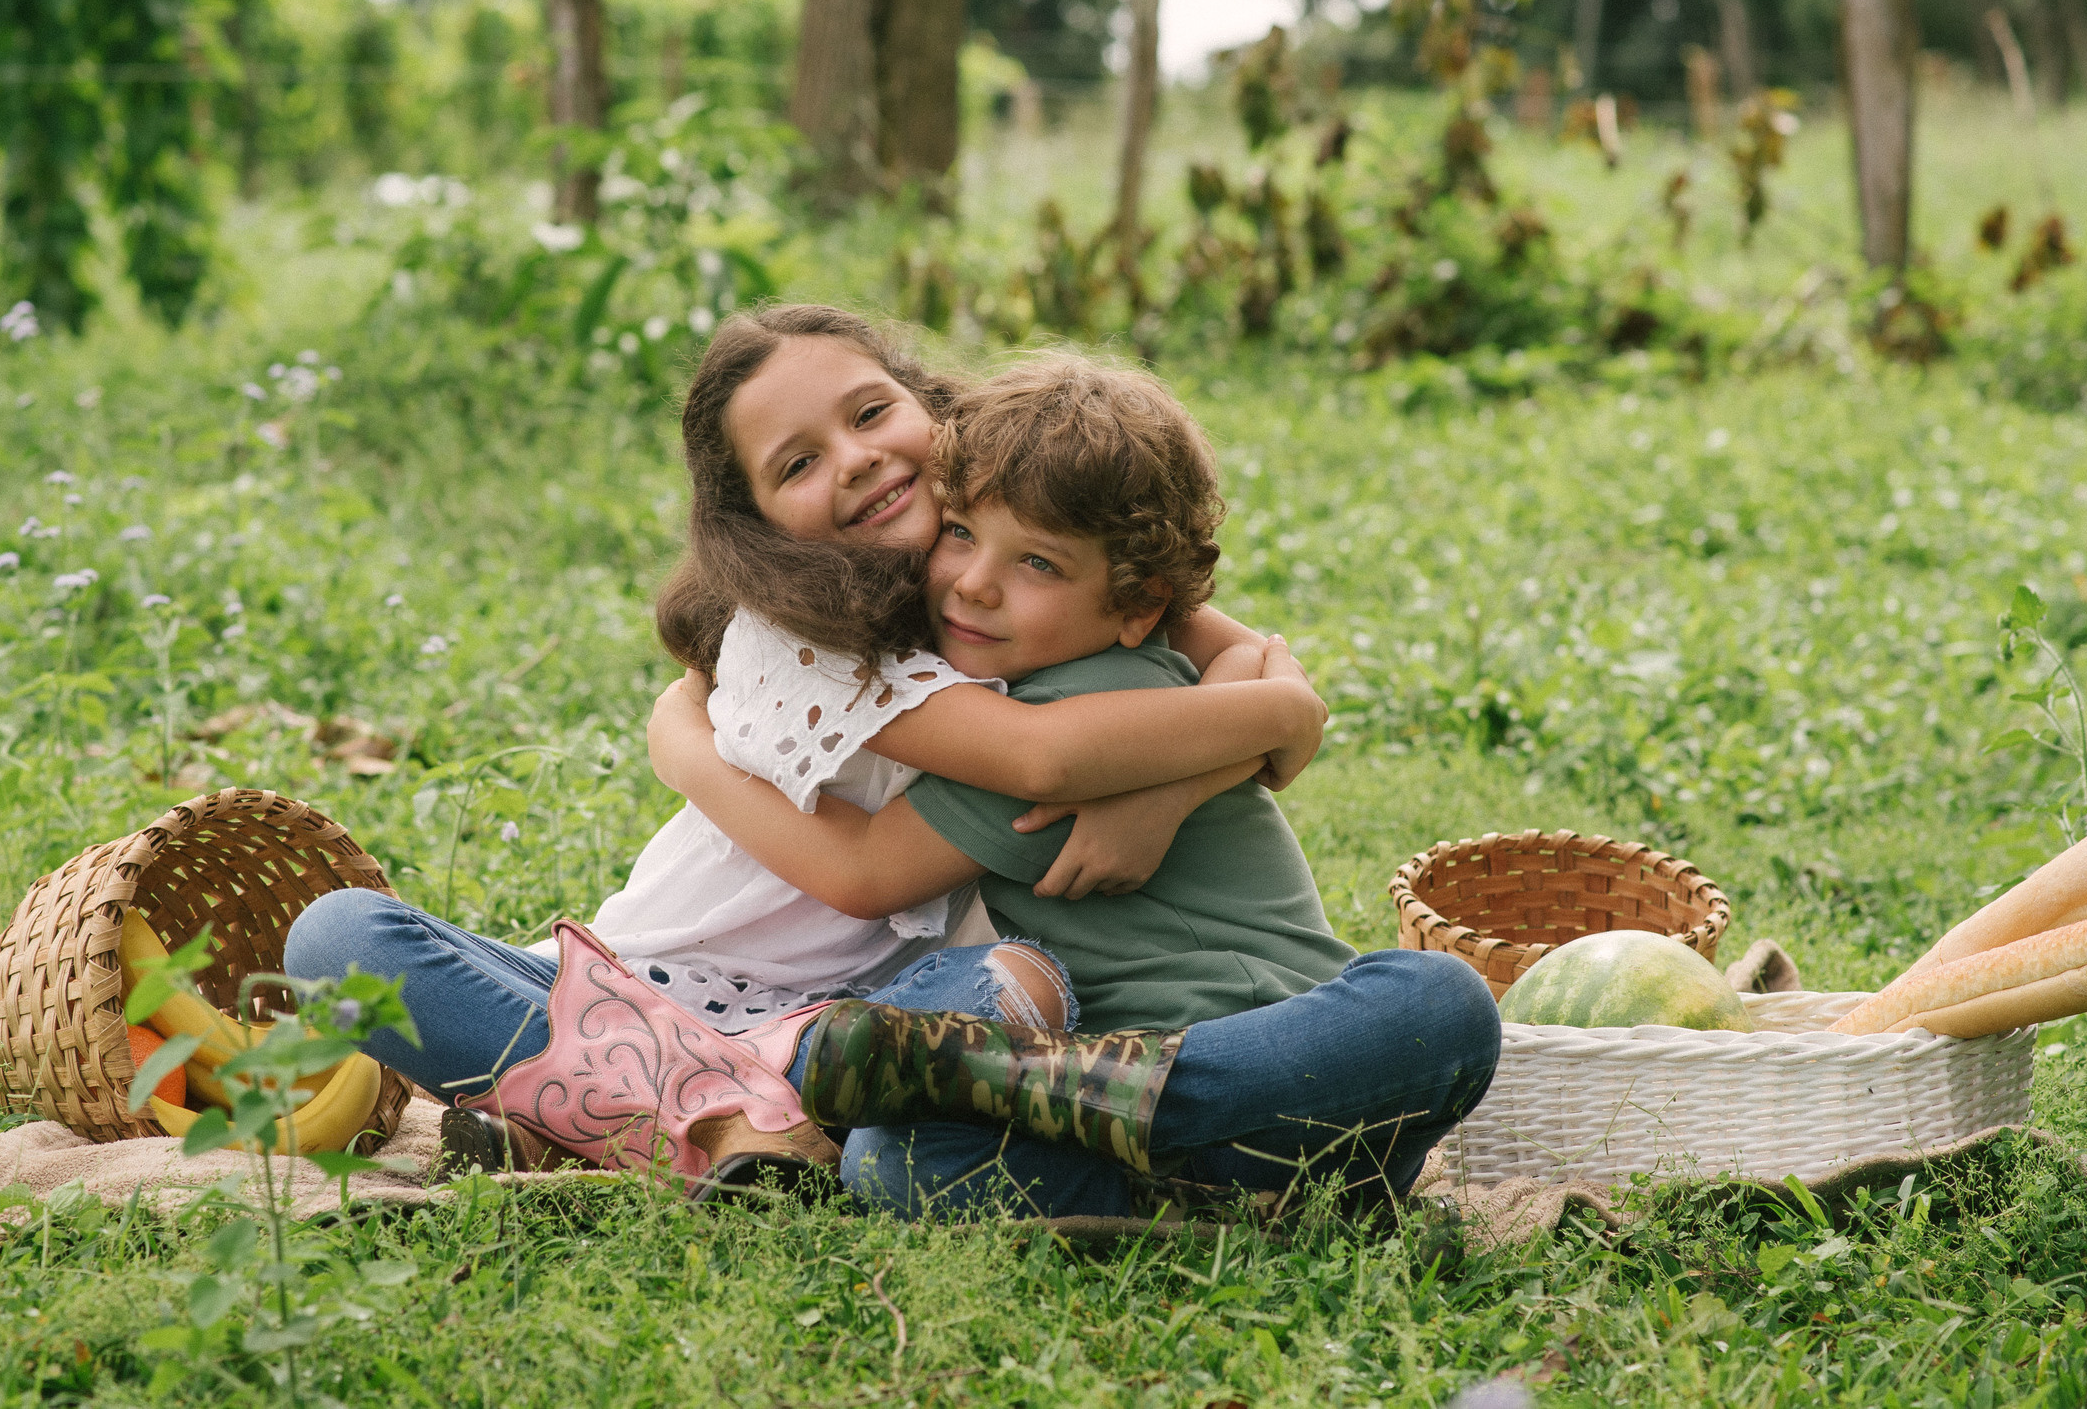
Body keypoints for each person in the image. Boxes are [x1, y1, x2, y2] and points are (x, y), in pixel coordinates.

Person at [285, 307, 1323, 1187]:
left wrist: (1182, 782)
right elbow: (1040, 761)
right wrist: (1259, 731)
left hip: (854, 1026)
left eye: (871, 412)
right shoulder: (800, 639)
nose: (858, 457)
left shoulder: (1011, 568)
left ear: (930, 405)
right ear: (762, 522)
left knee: (1017, 981)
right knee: (339, 941)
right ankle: (724, 1113)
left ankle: (632, 1119)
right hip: (643, 987)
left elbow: (1254, 664)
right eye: (799, 463)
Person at [647, 356, 1503, 1220]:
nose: (977, 583)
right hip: (1245, 1129)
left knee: (1441, 1000)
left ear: (1137, 606)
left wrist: (680, 743)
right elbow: (1240, 663)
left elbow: (978, 801)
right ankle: (1162, 1174)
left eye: (1040, 565)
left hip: (1277, 1051)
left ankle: (1054, 1096)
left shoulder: (1080, 709)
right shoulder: (995, 689)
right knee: (888, 1161)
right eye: (961, 534)